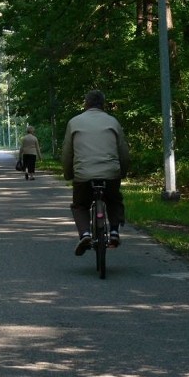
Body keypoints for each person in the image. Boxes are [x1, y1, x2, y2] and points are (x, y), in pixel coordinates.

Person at [62, 90, 130, 255]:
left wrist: (68, 173)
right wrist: (123, 171)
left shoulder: (74, 122)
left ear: (86, 104)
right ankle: (114, 231)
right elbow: (123, 151)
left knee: (80, 205)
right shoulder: (113, 122)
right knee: (114, 200)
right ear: (103, 104)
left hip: (83, 174)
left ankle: (85, 234)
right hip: (110, 173)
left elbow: (67, 153)